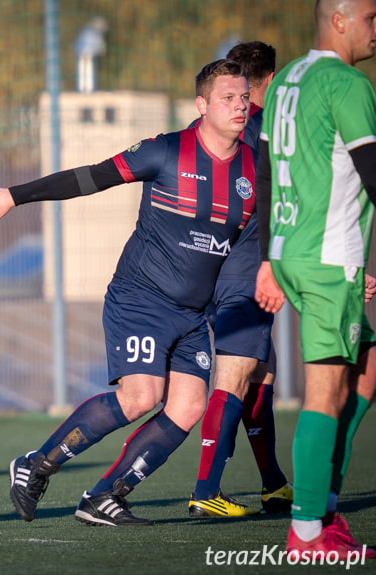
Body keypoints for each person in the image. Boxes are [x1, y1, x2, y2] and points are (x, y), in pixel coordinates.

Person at [0, 59, 254, 526]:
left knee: (189, 406)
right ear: (201, 105)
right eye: (227, 97)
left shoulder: (252, 168)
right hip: (142, 298)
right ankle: (36, 465)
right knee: (142, 397)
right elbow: (90, 177)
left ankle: (105, 496)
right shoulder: (166, 151)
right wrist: (14, 195)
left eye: (244, 97)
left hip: (194, 313)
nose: (239, 105)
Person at [254, 0, 376, 558]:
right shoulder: (346, 82)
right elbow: (373, 172)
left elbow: (263, 170)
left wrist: (265, 256)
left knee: (366, 373)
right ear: (341, 19)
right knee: (324, 392)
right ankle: (308, 532)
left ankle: (321, 505)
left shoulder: (285, 82)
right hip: (329, 260)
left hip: (291, 252)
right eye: (372, 17)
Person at [187, 41, 294, 518]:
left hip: (213, 264)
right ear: (266, 82)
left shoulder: (207, 128)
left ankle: (272, 482)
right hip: (248, 265)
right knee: (236, 373)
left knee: (261, 369)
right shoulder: (259, 127)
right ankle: (206, 488)